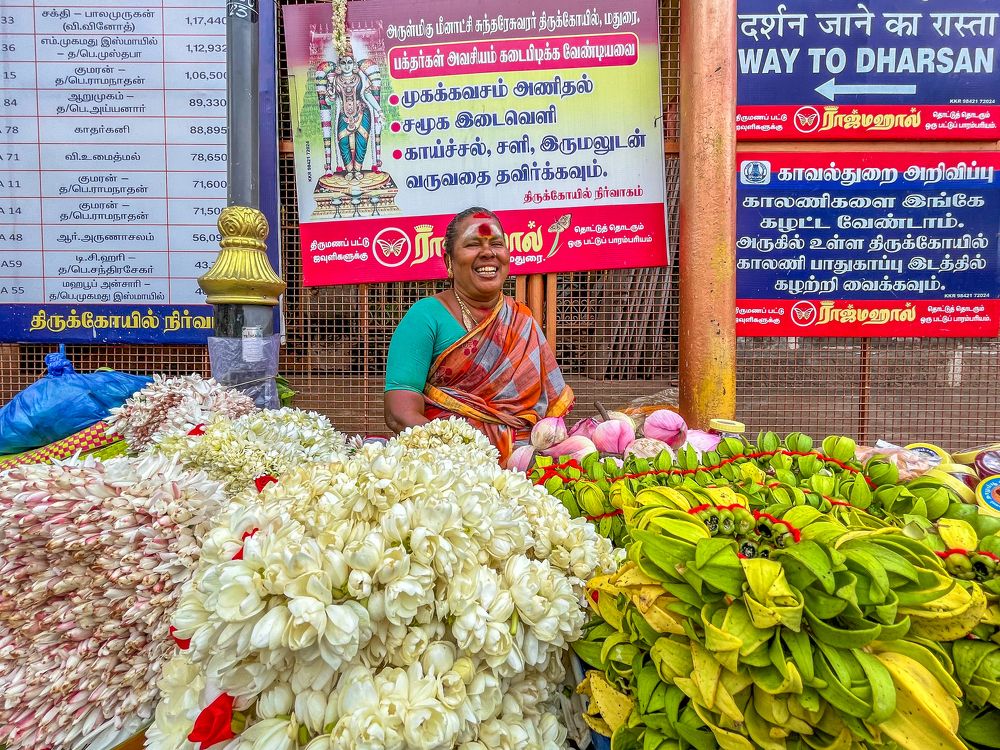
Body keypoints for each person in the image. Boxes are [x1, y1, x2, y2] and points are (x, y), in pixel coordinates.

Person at [384, 207, 574, 463]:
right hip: (449, 469)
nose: (488, 252)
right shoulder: (425, 317)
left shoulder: (522, 320)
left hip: (527, 465)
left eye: (497, 243)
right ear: (448, 261)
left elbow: (550, 417)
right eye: (473, 244)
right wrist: (468, 457)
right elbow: (399, 413)